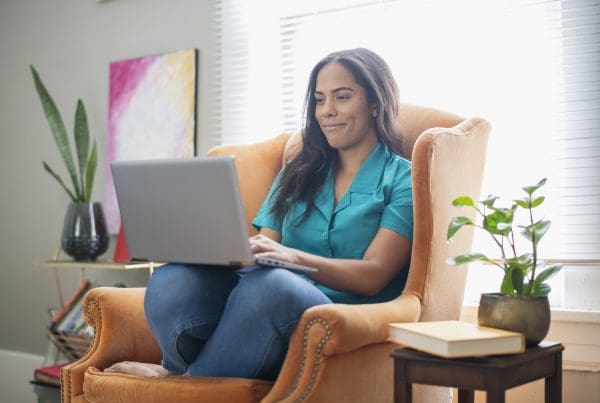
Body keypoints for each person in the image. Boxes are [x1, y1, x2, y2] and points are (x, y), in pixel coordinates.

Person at [105, 47, 413, 381]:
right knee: (172, 281)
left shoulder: (403, 179)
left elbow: (374, 275)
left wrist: (293, 258)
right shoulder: (298, 172)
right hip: (261, 313)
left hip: (339, 317)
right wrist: (223, 252)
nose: (327, 111)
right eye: (319, 99)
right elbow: (264, 254)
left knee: (276, 285)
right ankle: (197, 374)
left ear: (375, 102)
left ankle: (180, 383)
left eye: (341, 97)